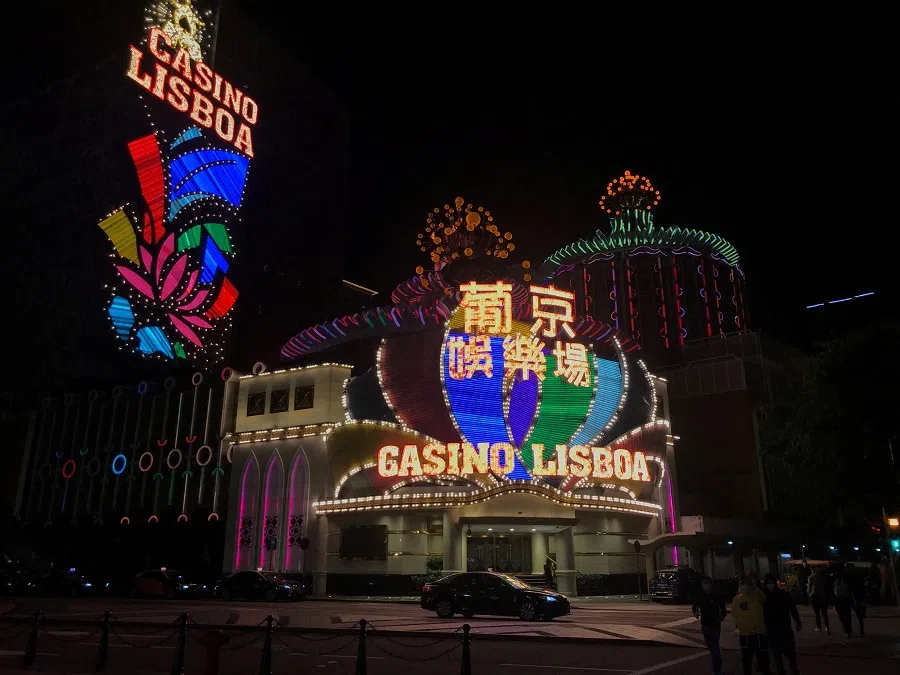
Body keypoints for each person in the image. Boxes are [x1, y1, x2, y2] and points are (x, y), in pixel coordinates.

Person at [764, 572, 802, 675]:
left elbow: (792, 608)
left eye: (771, 582)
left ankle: (793, 668)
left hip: (783, 626)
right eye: (768, 583)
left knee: (789, 651)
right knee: (777, 653)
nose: (769, 585)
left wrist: (797, 621)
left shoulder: (782, 594)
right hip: (772, 629)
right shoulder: (764, 596)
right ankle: (782, 670)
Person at [732, 577, 771, 675]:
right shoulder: (737, 599)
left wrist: (754, 586)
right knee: (746, 660)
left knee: (762, 659)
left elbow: (764, 598)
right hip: (745, 634)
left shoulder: (757, 596)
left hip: (759, 633)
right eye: (742, 584)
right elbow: (734, 614)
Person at [692, 576, 727, 675]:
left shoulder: (715, 596)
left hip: (715, 624)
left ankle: (717, 669)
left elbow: (723, 609)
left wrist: (720, 618)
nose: (706, 586)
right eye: (704, 583)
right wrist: (696, 613)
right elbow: (695, 606)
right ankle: (717, 668)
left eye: (707, 583)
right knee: (712, 648)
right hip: (705, 624)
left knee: (714, 647)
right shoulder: (701, 596)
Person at [831, 563, 853, 640]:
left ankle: (846, 630)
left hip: (839, 599)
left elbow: (832, 589)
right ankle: (848, 630)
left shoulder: (834, 577)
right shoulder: (847, 576)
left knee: (842, 615)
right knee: (847, 614)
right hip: (845, 598)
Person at [807, 565, 830, 634]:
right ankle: (827, 628)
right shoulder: (824, 577)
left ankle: (819, 628)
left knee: (817, 613)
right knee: (824, 613)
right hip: (823, 596)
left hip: (815, 596)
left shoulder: (811, 577)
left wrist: (809, 595)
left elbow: (809, 589)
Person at [847, 563, 866, 637]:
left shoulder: (849, 576)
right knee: (859, 615)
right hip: (858, 597)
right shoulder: (858, 576)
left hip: (853, 597)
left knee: (850, 614)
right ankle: (861, 629)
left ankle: (850, 630)